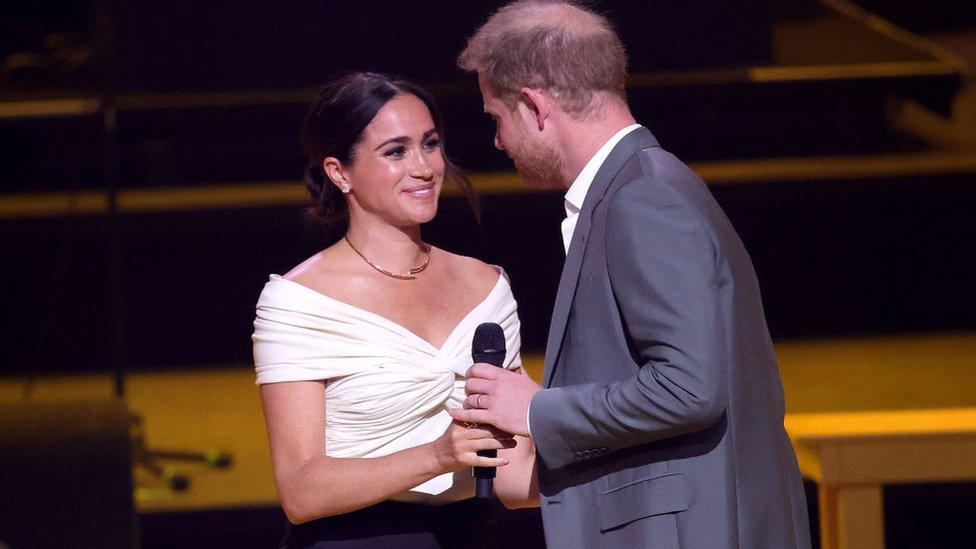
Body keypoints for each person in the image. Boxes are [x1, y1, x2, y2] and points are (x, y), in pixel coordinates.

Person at [449, 1, 812, 547]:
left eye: (496, 119)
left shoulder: (643, 197)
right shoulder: (642, 185)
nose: (497, 141)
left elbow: (689, 388)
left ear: (534, 105)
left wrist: (535, 408)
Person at [252, 72, 538, 548]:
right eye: (396, 151)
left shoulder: (486, 286)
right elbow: (300, 491)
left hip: (473, 533)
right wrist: (436, 455)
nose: (424, 167)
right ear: (339, 172)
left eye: (430, 144)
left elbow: (509, 476)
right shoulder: (300, 301)